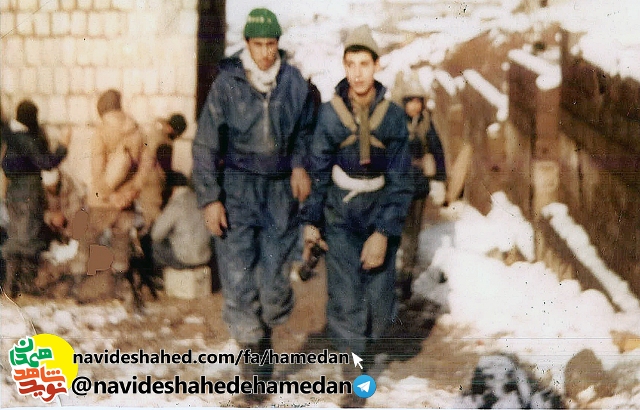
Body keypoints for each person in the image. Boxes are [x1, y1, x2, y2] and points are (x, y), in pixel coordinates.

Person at [192, 8, 317, 381]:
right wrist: (210, 199)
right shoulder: (226, 84)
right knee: (238, 274)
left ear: (278, 44)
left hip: (279, 191)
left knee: (275, 282)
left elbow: (306, 132)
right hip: (238, 188)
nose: (265, 52)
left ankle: (264, 330)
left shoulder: (293, 83)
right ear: (247, 44)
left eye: (271, 44)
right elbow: (205, 144)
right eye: (258, 44)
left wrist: (299, 165)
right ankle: (254, 361)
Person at [299, 25, 413, 405]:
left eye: (365, 64)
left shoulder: (393, 117)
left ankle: (365, 348)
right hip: (341, 213)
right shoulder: (329, 115)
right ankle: (355, 381)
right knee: (346, 300)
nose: (358, 73)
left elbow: (401, 182)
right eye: (351, 64)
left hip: (380, 208)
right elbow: (318, 172)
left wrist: (383, 232)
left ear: (377, 65)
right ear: (344, 66)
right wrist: (312, 222)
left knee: (379, 306)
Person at [74, 89, 154, 302]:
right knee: (121, 244)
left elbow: (97, 171)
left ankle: (77, 287)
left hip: (101, 201)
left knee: (87, 240)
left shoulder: (101, 132)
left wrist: (109, 196)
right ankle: (121, 288)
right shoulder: (138, 132)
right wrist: (130, 193)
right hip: (126, 202)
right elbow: (146, 166)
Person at [1, 100, 70, 297]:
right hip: (28, 193)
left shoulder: (10, 136)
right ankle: (23, 286)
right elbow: (47, 162)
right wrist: (63, 146)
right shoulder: (27, 140)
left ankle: (11, 286)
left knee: (17, 235)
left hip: (13, 192)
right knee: (28, 238)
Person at [394, 72, 447, 300]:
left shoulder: (426, 123)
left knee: (412, 233)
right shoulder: (394, 121)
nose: (415, 106)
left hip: (417, 186)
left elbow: (437, 149)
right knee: (395, 230)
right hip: (397, 184)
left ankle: (405, 276)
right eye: (411, 101)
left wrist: (440, 179)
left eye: (419, 101)